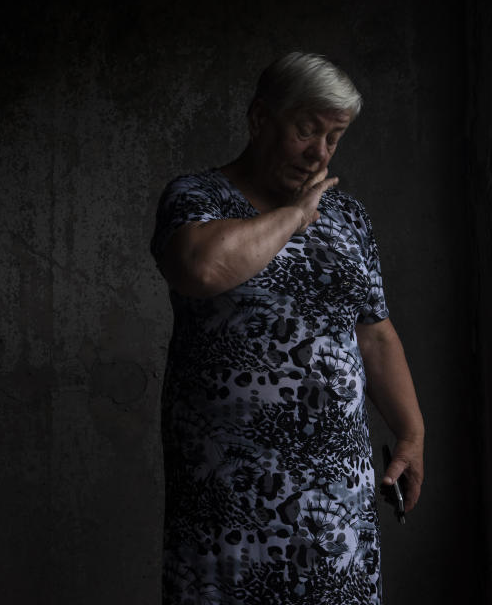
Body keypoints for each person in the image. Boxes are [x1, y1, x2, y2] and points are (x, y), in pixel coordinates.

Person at [149, 52, 425, 604]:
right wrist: (297, 215)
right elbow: (202, 268)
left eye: (334, 138)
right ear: (259, 120)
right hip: (231, 494)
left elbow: (374, 333)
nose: (319, 153)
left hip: (336, 496)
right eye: (307, 130)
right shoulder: (197, 199)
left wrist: (412, 435)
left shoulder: (349, 219)